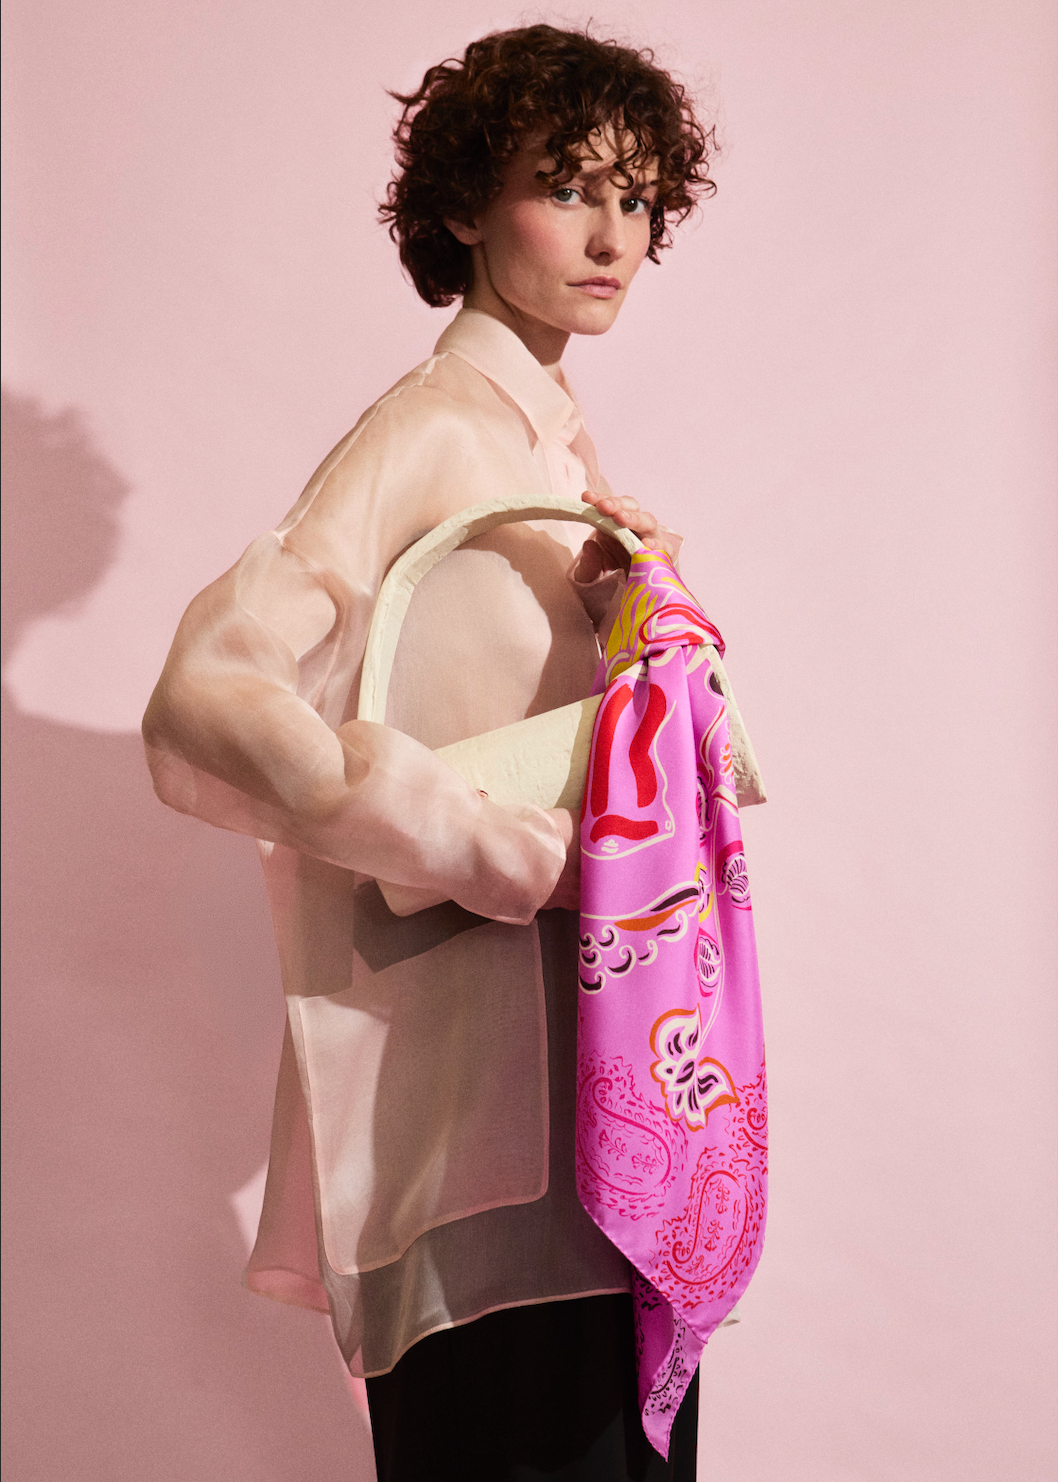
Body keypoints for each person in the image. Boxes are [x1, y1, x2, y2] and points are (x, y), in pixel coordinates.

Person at [143, 24, 716, 1481]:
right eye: (566, 188)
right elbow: (208, 695)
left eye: (636, 198)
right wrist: (489, 847)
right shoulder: (428, 430)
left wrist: (631, 624)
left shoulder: (550, 453)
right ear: (464, 205)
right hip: (481, 1119)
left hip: (607, 1093)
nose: (612, 236)